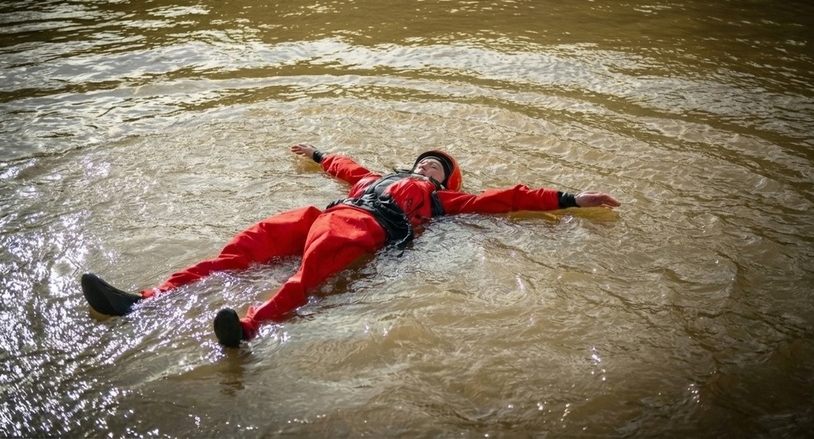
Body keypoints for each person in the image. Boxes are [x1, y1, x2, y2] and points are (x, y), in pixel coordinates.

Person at [81, 144, 620, 347]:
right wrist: (317, 156)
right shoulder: (378, 176)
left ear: (448, 180)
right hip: (324, 215)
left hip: (362, 231)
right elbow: (348, 168)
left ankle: (246, 327)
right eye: (426, 159)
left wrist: (571, 198)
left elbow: (508, 198)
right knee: (238, 252)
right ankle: (146, 300)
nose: (429, 163)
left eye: (440, 165)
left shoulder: (443, 201)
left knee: (306, 279)